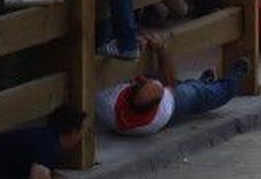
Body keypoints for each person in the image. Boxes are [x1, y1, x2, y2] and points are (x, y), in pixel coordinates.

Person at [95, 34, 249, 135]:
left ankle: (202, 81)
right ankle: (234, 79)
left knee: (188, 86)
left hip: (139, 103)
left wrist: (133, 44)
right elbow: (170, 83)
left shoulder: (106, 100)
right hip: (172, 107)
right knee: (201, 94)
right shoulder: (161, 113)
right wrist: (162, 49)